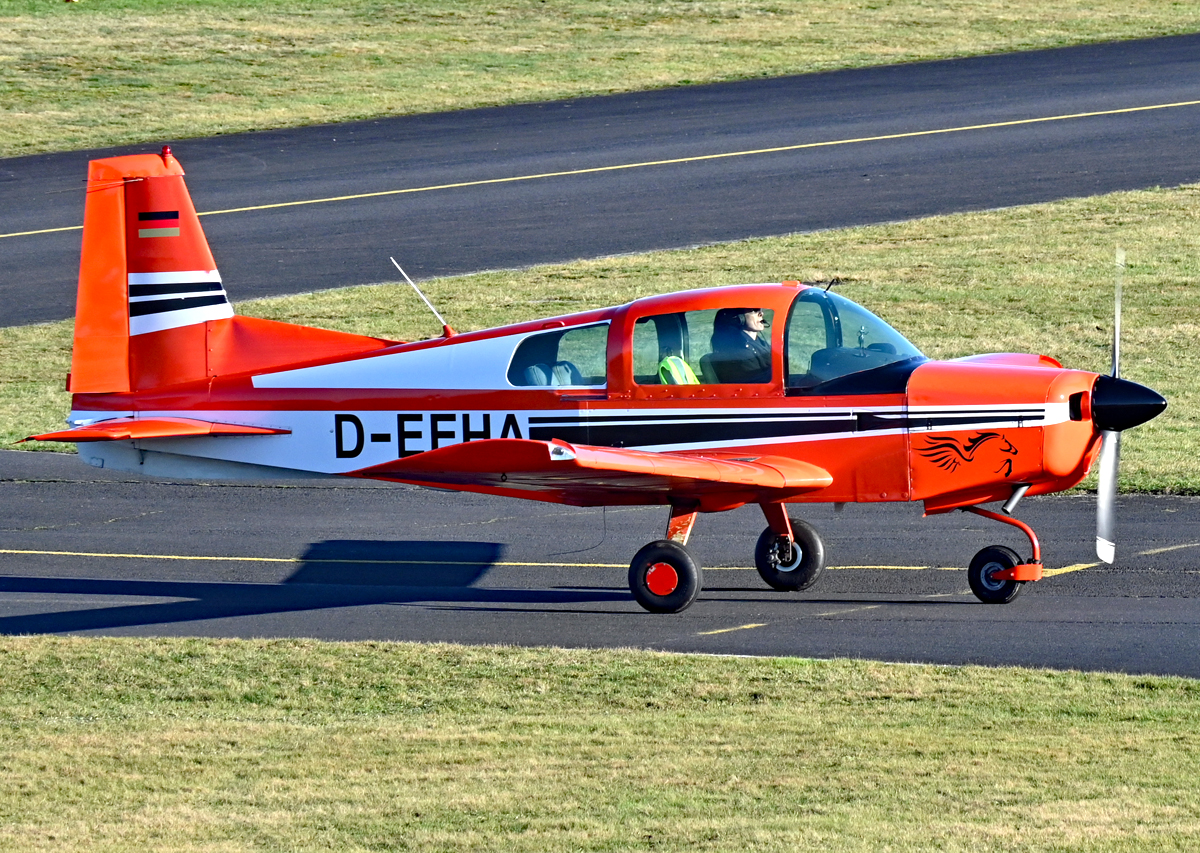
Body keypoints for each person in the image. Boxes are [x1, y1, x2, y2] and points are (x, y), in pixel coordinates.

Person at [709, 307, 771, 383]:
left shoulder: (762, 344)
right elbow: (759, 381)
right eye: (754, 310)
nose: (761, 314)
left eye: (760, 310)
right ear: (739, 318)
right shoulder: (737, 353)